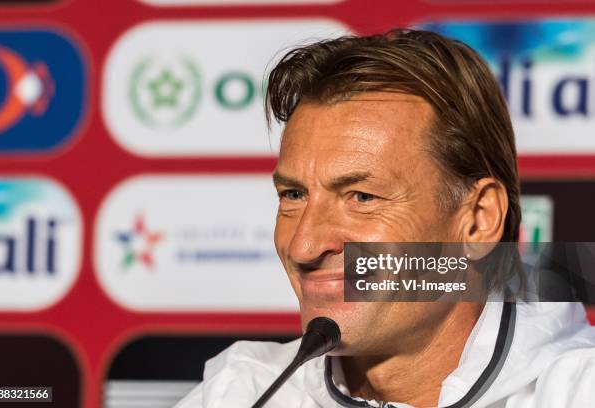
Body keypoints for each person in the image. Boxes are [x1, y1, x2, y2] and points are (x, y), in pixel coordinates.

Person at [175, 29, 595, 407]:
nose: (303, 246)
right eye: (294, 194)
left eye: (361, 196)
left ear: (478, 221)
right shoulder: (242, 392)